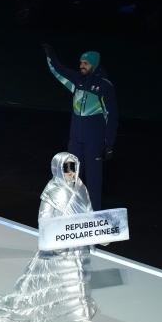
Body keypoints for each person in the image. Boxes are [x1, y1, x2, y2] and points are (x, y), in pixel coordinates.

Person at [0, 152, 98, 322]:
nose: (71, 173)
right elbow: (44, 218)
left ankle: (75, 316)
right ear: (58, 169)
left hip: (78, 245)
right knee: (64, 281)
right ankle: (78, 319)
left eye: (73, 168)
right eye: (66, 168)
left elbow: (89, 213)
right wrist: (55, 236)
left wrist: (97, 233)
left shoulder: (81, 188)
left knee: (77, 281)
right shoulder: (53, 190)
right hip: (58, 246)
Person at [43, 45, 117, 210]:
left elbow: (111, 117)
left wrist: (109, 144)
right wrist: (50, 55)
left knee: (93, 180)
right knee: (69, 175)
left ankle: (94, 213)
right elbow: (59, 71)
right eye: (81, 62)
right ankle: (68, 209)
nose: (81, 65)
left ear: (94, 65)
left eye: (86, 63)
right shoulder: (77, 80)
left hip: (94, 143)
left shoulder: (104, 86)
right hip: (75, 141)